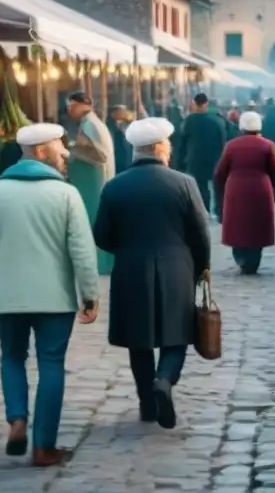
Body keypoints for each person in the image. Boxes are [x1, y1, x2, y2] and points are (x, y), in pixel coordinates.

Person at [0, 123, 99, 467]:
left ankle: (18, 420)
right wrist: (90, 294)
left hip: (6, 297)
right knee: (51, 364)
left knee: (11, 358)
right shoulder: (66, 194)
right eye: (59, 147)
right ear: (39, 152)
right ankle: (43, 446)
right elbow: (82, 250)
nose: (66, 154)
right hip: (55, 298)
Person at [93, 117, 211, 428]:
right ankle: (164, 381)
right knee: (177, 335)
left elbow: (101, 235)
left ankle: (147, 401)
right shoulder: (184, 183)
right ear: (160, 148)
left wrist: (127, 249)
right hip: (177, 268)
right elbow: (201, 233)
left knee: (139, 339)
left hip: (131, 269)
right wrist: (201, 270)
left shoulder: (114, 186)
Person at [215, 111, 275, 274]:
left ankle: (241, 257)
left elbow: (220, 172)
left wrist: (220, 191)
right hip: (261, 189)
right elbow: (274, 170)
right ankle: (253, 259)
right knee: (257, 225)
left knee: (238, 223)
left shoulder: (231, 145)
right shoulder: (268, 145)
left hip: (236, 188)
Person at [65, 92, 115, 275]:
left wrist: (73, 151)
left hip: (94, 181)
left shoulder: (90, 124)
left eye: (71, 106)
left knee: (93, 220)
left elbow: (98, 154)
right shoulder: (91, 123)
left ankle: (97, 263)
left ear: (79, 105)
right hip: (95, 180)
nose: (69, 110)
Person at [176, 93, 228, 214]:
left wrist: (180, 163)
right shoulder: (217, 120)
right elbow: (223, 141)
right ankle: (220, 211)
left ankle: (204, 211)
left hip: (196, 159)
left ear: (195, 104)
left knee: (201, 187)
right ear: (206, 104)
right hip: (215, 158)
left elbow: (182, 143)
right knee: (218, 186)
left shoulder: (189, 121)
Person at [106, 105, 133, 175]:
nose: (124, 114)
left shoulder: (127, 125)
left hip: (126, 160)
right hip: (116, 159)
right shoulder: (110, 125)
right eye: (121, 111)